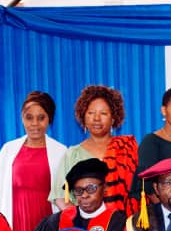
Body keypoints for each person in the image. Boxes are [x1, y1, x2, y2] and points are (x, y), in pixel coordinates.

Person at [15, 159, 125, 231]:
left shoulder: (118, 223)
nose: (84, 195)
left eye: (91, 189)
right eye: (78, 190)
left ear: (105, 188)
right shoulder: (54, 223)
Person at [0, 91, 67, 231]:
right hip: (14, 229)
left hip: (47, 229)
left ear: (49, 119)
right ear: (22, 118)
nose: (34, 124)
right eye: (29, 117)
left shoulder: (61, 152)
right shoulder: (8, 150)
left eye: (41, 118)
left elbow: (66, 197)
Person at [49, 85, 139, 216]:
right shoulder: (72, 155)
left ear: (113, 118)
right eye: (91, 113)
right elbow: (60, 197)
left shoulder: (127, 149)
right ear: (83, 117)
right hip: (83, 225)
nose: (96, 118)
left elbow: (139, 192)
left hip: (124, 223)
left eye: (103, 113)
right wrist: (82, 220)